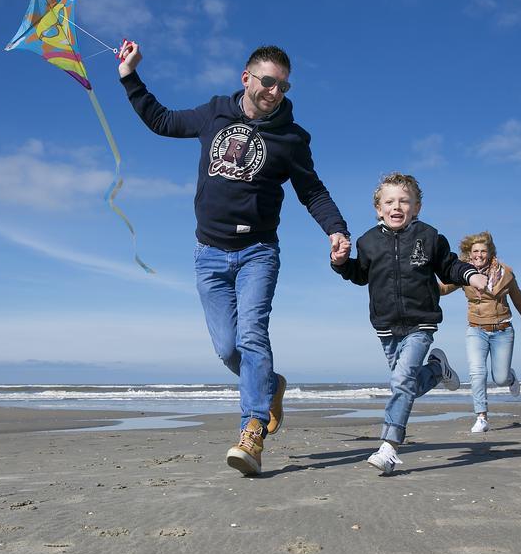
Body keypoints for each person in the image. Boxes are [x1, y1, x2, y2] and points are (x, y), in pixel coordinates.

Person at [117, 42, 351, 476]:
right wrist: (130, 76)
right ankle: (270, 384)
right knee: (227, 347)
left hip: (258, 252)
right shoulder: (213, 113)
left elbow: (312, 191)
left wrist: (336, 229)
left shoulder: (291, 138)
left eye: (283, 85)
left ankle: (253, 432)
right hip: (209, 253)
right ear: (246, 78)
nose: (274, 92)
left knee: (251, 335)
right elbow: (162, 121)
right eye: (267, 82)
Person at [331, 173, 487, 474]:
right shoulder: (367, 242)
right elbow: (359, 274)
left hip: (421, 323)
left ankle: (389, 447)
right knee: (407, 385)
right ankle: (438, 369)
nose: (397, 206)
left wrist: (470, 274)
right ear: (378, 208)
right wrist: (340, 263)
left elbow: (449, 266)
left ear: (417, 207)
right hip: (386, 327)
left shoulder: (429, 236)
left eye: (404, 200)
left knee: (401, 384)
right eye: (389, 201)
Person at [440, 232, 521, 433]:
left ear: (490, 252)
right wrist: (421, 278)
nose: (479, 255)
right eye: (475, 251)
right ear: (469, 253)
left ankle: (510, 377)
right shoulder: (464, 274)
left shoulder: (506, 273)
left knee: (499, 378)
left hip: (502, 330)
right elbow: (443, 289)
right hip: (476, 329)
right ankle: (481, 416)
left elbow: (519, 299)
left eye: (483, 251)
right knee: (477, 372)